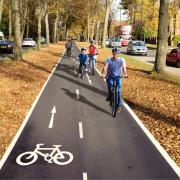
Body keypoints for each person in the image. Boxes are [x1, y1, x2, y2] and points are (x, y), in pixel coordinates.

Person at [101, 47, 128, 112]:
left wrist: (125, 74)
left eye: (117, 53)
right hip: (109, 76)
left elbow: (124, 67)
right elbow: (105, 67)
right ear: (112, 53)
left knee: (118, 91)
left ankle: (119, 106)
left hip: (118, 77)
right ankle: (110, 96)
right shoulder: (108, 59)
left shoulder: (122, 60)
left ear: (119, 54)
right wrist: (104, 74)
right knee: (110, 85)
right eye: (114, 53)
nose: (115, 55)